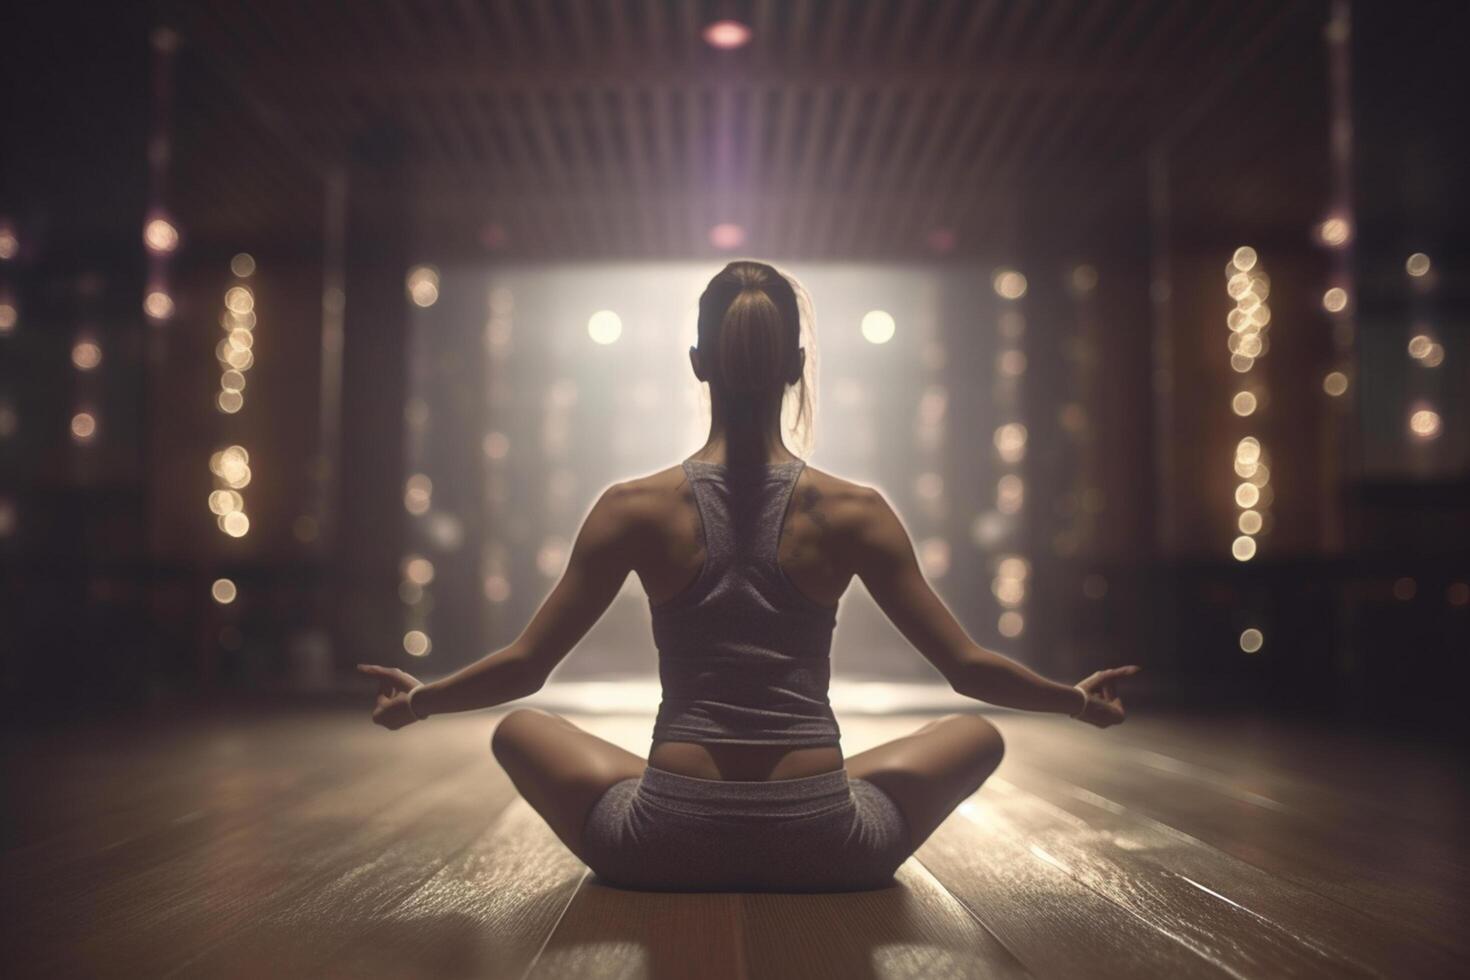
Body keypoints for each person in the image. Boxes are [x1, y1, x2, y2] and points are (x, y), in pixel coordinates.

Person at [358, 260, 1138, 892]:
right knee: (972, 737)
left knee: (522, 732)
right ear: (797, 366)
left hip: (662, 843)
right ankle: (787, 788)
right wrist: (1073, 700)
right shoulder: (855, 511)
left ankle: (700, 784)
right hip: (828, 847)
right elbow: (968, 673)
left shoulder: (631, 508)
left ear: (697, 364)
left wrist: (421, 700)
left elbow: (526, 670)